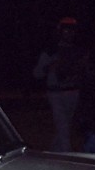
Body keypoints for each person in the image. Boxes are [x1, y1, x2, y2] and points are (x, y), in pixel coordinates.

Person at [33, 17, 86, 151]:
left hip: (73, 91)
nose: (69, 34)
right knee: (63, 127)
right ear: (60, 32)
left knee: (65, 126)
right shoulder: (51, 51)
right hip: (56, 93)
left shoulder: (78, 50)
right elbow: (37, 73)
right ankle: (68, 156)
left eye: (72, 31)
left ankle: (53, 153)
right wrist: (50, 66)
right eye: (66, 31)